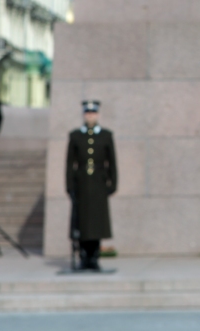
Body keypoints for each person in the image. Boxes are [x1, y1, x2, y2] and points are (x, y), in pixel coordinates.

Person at [66, 100, 118, 271]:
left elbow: (111, 162)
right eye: (87, 113)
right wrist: (70, 186)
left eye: (93, 113)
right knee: (82, 223)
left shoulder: (105, 135)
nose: (90, 116)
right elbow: (69, 164)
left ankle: (94, 257)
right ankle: (83, 257)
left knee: (97, 223)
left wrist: (112, 183)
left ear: (98, 114)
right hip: (81, 185)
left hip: (98, 185)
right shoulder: (75, 136)